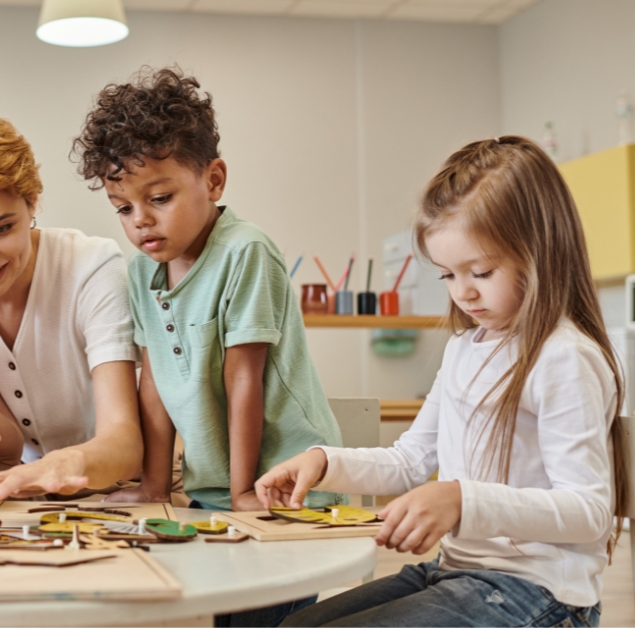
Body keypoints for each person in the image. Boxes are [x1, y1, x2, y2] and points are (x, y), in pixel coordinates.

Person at [259, 136, 626, 628]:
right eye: (447, 276)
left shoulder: (565, 357)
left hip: (540, 592)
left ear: (541, 252)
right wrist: (324, 463)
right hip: (457, 571)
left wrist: (460, 500)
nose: (463, 292)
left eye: (480, 271)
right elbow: (411, 459)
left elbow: (588, 512)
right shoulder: (463, 350)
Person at [74, 67, 345, 627]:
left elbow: (242, 380)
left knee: (267, 620)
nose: (141, 220)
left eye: (160, 197)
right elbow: (154, 388)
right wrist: (153, 486)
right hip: (214, 491)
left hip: (280, 488)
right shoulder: (143, 274)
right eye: (124, 208)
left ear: (214, 181)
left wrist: (244, 490)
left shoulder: (245, 252)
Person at [0, 108, 142, 503]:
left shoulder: (92, 265)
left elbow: (125, 446)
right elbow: (10, 444)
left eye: (1, 229)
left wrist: (58, 465)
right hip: (29, 493)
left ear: (32, 204)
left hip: (121, 491)